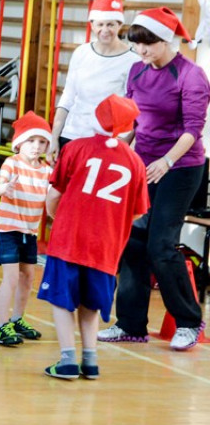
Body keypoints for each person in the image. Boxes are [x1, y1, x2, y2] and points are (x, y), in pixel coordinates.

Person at [98, 8, 210, 350]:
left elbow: (193, 130)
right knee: (132, 242)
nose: (141, 51)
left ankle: (190, 321)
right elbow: (132, 122)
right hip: (142, 164)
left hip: (181, 167)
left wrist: (166, 160)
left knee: (161, 245)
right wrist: (115, 150)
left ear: (167, 41)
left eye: (148, 44)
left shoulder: (191, 75)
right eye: (138, 45)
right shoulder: (136, 70)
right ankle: (130, 324)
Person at [40, 95, 148, 378]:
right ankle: (90, 359)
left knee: (61, 300)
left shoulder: (76, 148)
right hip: (107, 247)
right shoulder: (135, 163)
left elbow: (54, 194)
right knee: (90, 302)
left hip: (70, 239)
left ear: (96, 117)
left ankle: (66, 360)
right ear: (128, 127)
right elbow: (137, 212)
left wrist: (56, 216)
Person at [50, 0, 139, 159]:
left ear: (120, 25)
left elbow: (136, 109)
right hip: (72, 135)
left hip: (108, 142)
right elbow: (67, 98)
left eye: (110, 24)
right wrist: (54, 137)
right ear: (92, 25)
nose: (105, 30)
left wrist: (125, 144)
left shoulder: (133, 60)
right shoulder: (81, 52)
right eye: (100, 24)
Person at [0, 112, 52, 346]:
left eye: (42, 141)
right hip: (8, 228)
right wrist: (3, 188)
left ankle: (17, 319)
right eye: (31, 140)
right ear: (19, 142)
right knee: (12, 277)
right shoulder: (12, 163)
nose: (36, 146)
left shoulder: (46, 170)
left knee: (29, 276)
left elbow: (55, 194)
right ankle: (0, 325)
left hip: (30, 231)